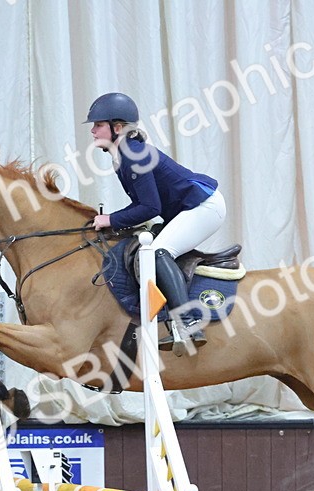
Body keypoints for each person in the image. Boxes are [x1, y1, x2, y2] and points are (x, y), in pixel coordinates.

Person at [85, 92, 226, 352]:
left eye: (98, 125)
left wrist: (111, 219)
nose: (92, 131)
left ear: (117, 128)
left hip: (204, 206)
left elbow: (150, 208)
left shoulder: (133, 154)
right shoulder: (124, 154)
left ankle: (189, 322)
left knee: (159, 252)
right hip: (189, 208)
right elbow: (144, 205)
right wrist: (110, 221)